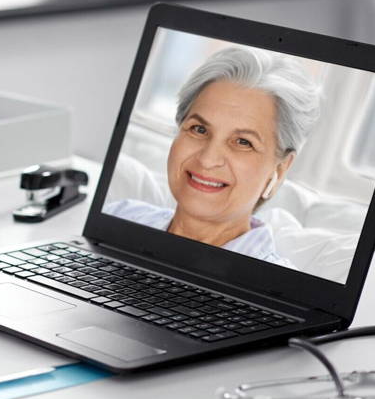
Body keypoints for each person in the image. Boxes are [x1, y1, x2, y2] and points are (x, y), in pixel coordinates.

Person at [105, 47, 322, 268]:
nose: (208, 159)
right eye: (199, 129)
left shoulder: (280, 288)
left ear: (280, 170)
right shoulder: (121, 217)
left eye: (243, 142)